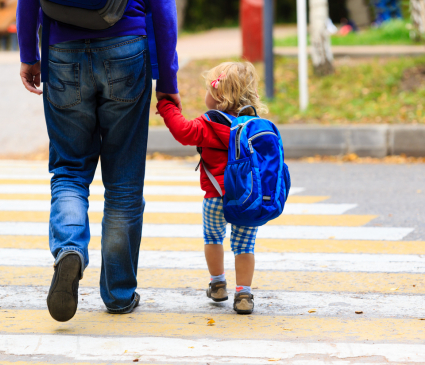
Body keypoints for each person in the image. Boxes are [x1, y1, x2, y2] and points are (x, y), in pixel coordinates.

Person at [16, 0, 181, 322]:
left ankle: (69, 248)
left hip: (62, 50)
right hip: (126, 49)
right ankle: (118, 295)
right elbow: (163, 9)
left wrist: (28, 55)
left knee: (69, 170)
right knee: (124, 182)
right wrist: (167, 80)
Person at [157, 62, 267, 315]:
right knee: (245, 247)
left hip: (216, 198)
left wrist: (166, 106)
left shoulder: (210, 123)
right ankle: (243, 293)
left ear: (217, 95)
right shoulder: (255, 126)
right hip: (249, 199)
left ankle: (217, 283)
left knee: (213, 239)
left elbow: (183, 131)